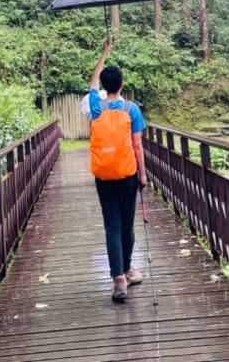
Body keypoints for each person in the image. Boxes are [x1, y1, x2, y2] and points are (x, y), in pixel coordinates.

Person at [85, 39, 147, 303]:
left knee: (112, 225)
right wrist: (142, 175)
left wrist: (104, 53)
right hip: (127, 174)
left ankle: (118, 279)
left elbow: (92, 84)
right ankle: (128, 269)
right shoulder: (131, 109)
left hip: (103, 176)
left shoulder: (96, 107)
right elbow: (137, 146)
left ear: (105, 86)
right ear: (121, 84)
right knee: (127, 225)